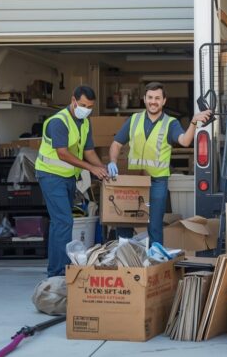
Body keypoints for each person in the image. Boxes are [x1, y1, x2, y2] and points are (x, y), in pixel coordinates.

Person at [108, 82, 212, 244]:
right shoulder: (134, 119)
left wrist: (193, 122)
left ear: (164, 101)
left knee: (155, 225)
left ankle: (154, 262)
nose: (153, 101)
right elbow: (116, 144)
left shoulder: (171, 123)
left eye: (157, 98)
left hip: (158, 181)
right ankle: (126, 259)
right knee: (125, 221)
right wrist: (112, 162)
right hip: (135, 180)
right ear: (144, 99)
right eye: (150, 97)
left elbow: (185, 141)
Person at [35, 86, 108, 277]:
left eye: (90, 106)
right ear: (73, 100)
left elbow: (89, 151)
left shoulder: (84, 122)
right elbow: (63, 153)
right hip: (50, 175)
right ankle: (58, 274)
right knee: (63, 222)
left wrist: (103, 170)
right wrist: (91, 168)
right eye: (83, 105)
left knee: (60, 223)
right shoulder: (59, 122)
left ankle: (57, 269)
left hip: (67, 177)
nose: (86, 109)